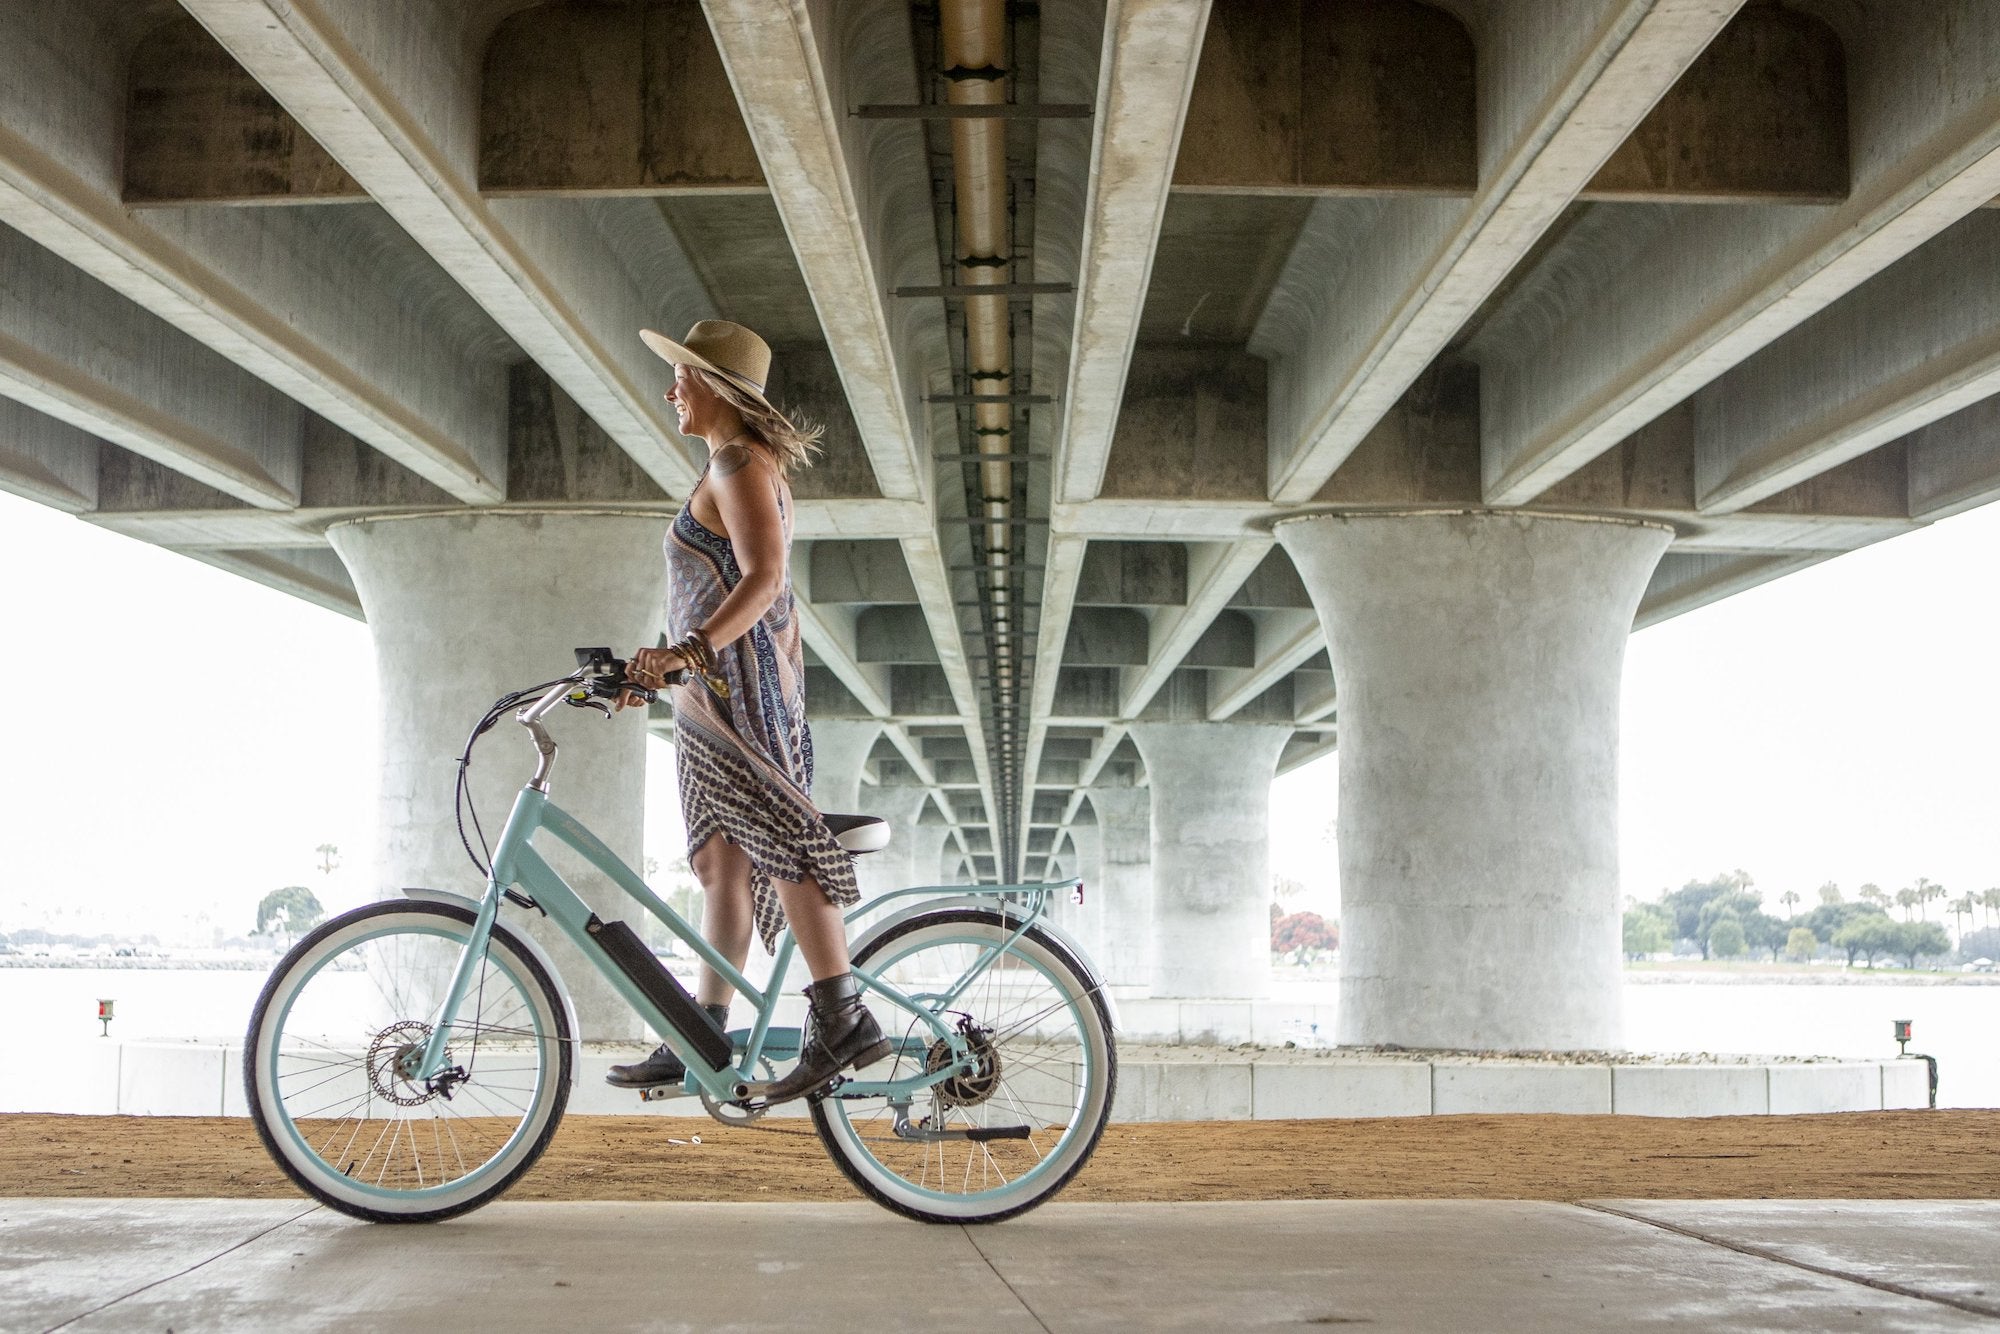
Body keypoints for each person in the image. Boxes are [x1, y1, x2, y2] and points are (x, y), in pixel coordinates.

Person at [605, 320, 889, 1103]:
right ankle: (704, 1032)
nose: (671, 391)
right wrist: (661, 669)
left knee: (779, 839)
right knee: (718, 861)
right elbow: (720, 582)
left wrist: (685, 654)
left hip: (743, 688)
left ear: (718, 388)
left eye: (682, 379)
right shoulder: (732, 464)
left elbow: (762, 580)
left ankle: (842, 1016)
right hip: (713, 689)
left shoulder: (736, 462)